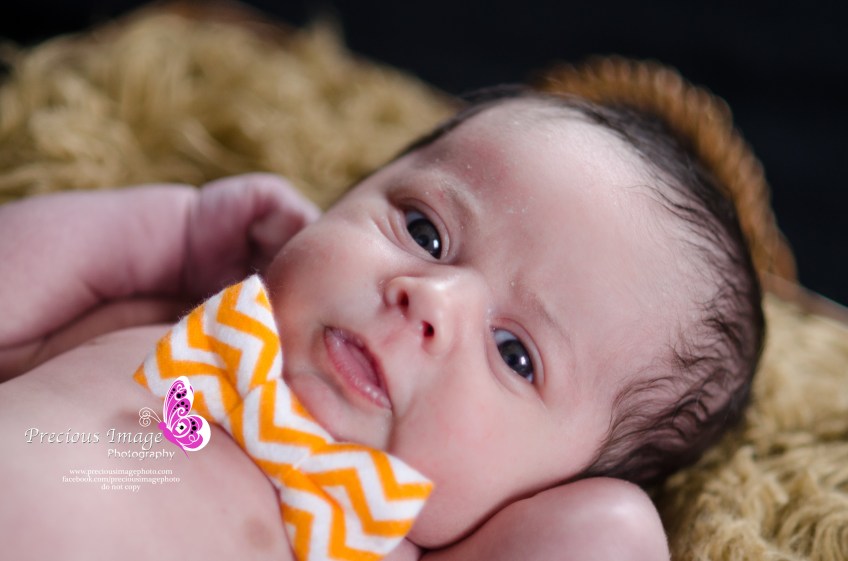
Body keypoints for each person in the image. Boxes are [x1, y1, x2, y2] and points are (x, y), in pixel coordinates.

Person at [0, 87, 764, 560]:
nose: (432, 299)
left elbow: (607, 542)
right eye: (425, 231)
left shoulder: (386, 543)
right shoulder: (172, 328)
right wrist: (174, 230)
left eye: (515, 355)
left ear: (547, 490)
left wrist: (614, 507)